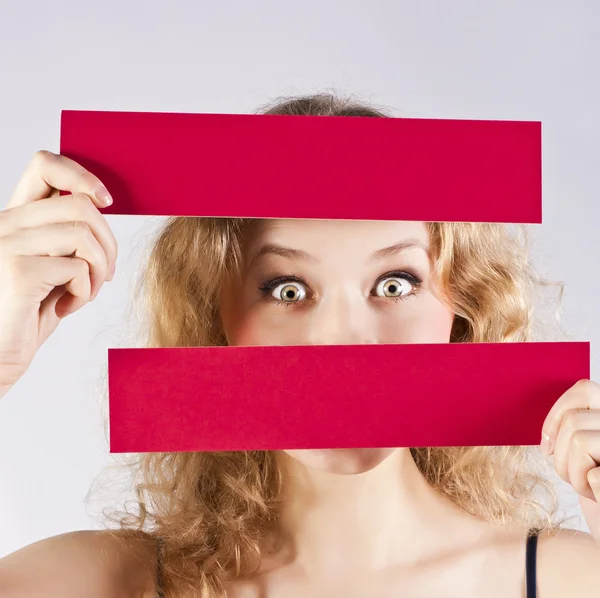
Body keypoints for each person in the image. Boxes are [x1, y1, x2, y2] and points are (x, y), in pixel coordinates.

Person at [0, 93, 599, 598]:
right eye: (286, 289)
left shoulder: (573, 580)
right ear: (217, 321)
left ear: (460, 309)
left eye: (395, 283)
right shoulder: (95, 584)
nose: (346, 337)